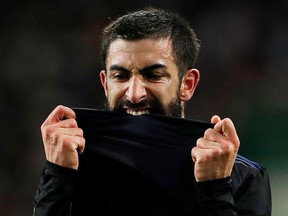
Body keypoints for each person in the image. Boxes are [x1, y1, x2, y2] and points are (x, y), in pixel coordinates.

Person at [33, 7, 272, 216]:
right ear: (105, 84)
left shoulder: (241, 177)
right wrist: (58, 175)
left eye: (154, 75)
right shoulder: (71, 166)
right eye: (121, 76)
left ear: (187, 84)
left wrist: (215, 190)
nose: (134, 94)